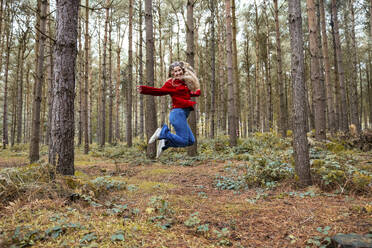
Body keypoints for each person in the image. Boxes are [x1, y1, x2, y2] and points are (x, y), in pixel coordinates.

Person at [137, 61, 201, 158]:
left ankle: (165, 142)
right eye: (175, 71)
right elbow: (160, 91)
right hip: (177, 113)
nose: (178, 73)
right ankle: (162, 132)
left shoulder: (183, 83)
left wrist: (197, 93)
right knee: (183, 140)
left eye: (179, 70)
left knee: (190, 141)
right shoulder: (171, 83)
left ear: (182, 70)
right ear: (172, 73)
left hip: (183, 114)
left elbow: (186, 94)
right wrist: (144, 89)